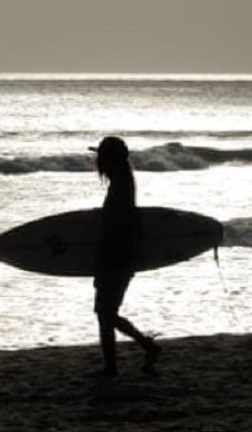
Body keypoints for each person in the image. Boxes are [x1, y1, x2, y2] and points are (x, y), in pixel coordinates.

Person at [89, 136, 161, 377]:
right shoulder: (123, 182)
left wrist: (105, 255)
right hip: (120, 256)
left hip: (116, 257)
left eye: (101, 156)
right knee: (106, 312)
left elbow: (121, 225)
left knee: (105, 312)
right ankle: (144, 347)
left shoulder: (121, 186)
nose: (98, 161)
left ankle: (120, 361)